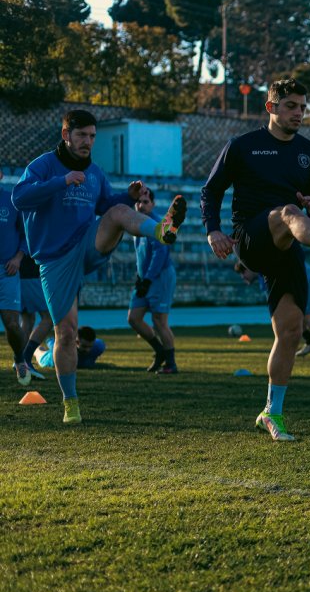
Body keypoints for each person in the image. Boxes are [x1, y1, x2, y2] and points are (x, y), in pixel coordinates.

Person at [202, 78, 310, 442]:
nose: (299, 113)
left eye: (303, 107)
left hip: (287, 247)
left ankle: (270, 412)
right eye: (291, 106)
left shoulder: (309, 152)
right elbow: (211, 190)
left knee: (291, 332)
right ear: (271, 107)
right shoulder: (242, 146)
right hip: (249, 236)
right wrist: (213, 230)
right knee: (288, 212)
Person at [12, 109, 186, 423]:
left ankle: (162, 231)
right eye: (81, 135)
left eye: (92, 136)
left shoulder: (94, 172)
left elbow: (105, 204)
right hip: (54, 260)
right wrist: (61, 181)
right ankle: (71, 403)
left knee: (119, 210)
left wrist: (127, 195)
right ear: (66, 135)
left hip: (87, 243)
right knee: (66, 332)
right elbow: (20, 199)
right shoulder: (42, 165)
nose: (88, 142)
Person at [127, 189, 179, 373]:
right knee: (133, 318)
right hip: (145, 277)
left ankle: (171, 364)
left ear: (153, 204)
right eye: (138, 202)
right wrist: (139, 277)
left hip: (161, 276)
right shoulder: (137, 223)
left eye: (146, 202)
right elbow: (141, 255)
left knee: (159, 320)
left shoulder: (157, 223)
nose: (141, 205)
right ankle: (160, 352)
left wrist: (147, 279)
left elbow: (160, 254)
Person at [1, 169, 31, 385]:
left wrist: (18, 258)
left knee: (12, 324)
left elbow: (25, 234)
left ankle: (20, 359)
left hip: (7, 270)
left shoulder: (11, 201)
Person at [19, 252, 52, 380]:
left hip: (23, 273)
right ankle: (25, 359)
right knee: (48, 318)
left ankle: (20, 360)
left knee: (28, 319)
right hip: (31, 274)